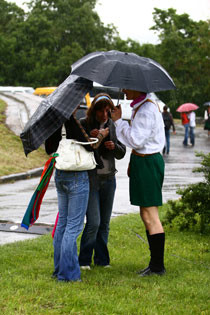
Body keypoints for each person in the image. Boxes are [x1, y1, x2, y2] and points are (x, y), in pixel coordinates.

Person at [45, 108, 108, 282]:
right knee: (73, 226)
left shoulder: (51, 124)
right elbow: (90, 145)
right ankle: (69, 274)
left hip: (60, 175)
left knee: (63, 224)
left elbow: (49, 149)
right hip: (77, 176)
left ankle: (59, 269)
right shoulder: (71, 123)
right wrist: (102, 135)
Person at [111, 89, 166, 277]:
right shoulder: (141, 107)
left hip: (148, 162)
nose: (124, 90)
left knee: (151, 213)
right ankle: (154, 264)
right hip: (143, 161)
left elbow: (135, 140)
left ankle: (157, 267)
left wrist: (118, 121)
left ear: (138, 87)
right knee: (145, 212)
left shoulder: (146, 110)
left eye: (127, 86)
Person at [79, 93, 126, 269]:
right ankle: (84, 260)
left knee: (105, 224)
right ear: (94, 111)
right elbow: (79, 148)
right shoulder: (84, 124)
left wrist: (113, 146)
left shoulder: (112, 126)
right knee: (94, 222)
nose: (105, 115)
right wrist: (90, 138)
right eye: (101, 111)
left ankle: (102, 260)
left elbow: (122, 152)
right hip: (91, 180)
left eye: (108, 111)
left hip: (109, 178)